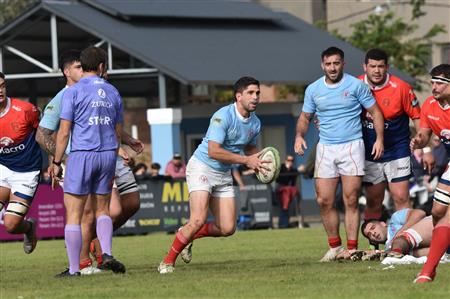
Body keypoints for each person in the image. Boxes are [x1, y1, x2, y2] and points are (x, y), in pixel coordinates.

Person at [37, 50, 143, 275]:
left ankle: (75, 268)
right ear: (102, 66)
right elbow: (115, 129)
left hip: (82, 155)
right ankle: (106, 253)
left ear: (83, 66)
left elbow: (64, 132)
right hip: (107, 156)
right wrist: (122, 148)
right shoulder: (113, 91)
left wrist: (56, 161)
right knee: (103, 210)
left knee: (74, 214)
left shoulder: (72, 92)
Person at [157, 76, 268, 274]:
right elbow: (213, 151)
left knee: (227, 228)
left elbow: (249, 145)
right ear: (238, 96)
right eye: (251, 93)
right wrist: (246, 161)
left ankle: (187, 235)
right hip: (202, 167)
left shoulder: (255, 123)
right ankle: (167, 262)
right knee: (198, 219)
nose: (256, 97)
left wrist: (260, 160)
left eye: (258, 93)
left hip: (223, 172)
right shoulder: (223, 116)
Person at [294, 47, 385, 262]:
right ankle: (335, 247)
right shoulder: (313, 89)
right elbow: (305, 117)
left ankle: (352, 248)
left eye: (336, 63)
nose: (332, 68)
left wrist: (379, 139)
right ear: (322, 65)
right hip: (325, 148)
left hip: (352, 146)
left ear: (343, 64)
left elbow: (376, 112)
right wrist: (299, 136)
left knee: (351, 199)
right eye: (328, 64)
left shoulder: (356, 85)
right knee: (324, 199)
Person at [359, 48, 428, 221]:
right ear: (364, 67)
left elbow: (418, 117)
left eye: (381, 66)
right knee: (374, 200)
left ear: (387, 67)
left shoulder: (402, 88)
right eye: (372, 66)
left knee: (401, 197)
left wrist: (423, 144)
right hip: (369, 152)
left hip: (397, 149)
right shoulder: (355, 85)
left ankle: (403, 243)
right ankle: (373, 245)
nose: (376, 70)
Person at [410, 64, 450, 283]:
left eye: (439, 83)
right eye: (432, 82)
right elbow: (424, 133)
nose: (434, 87)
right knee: (437, 210)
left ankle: (428, 271)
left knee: (445, 212)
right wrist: (419, 143)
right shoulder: (430, 105)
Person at [0, 71, 41, 254]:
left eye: (2, 86)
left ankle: (28, 228)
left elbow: (44, 133)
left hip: (27, 171)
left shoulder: (25, 110)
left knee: (10, 224)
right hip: (2, 168)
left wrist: (58, 161)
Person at [361, 208, 431, 258]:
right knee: (410, 253)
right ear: (373, 241)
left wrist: (399, 234)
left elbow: (419, 214)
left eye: (373, 228)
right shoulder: (387, 248)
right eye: (369, 235)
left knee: (399, 243)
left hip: (431, 227)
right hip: (429, 245)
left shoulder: (395, 219)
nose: (373, 233)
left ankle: (396, 256)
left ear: (383, 223)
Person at [275, 154, 302, 228]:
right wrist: (295, 170)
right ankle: (282, 224)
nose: (290, 162)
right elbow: (279, 179)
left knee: (286, 207)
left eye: (292, 161)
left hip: (288, 192)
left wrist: (296, 171)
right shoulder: (281, 167)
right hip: (280, 191)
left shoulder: (293, 170)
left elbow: (293, 182)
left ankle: (285, 224)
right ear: (286, 160)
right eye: (289, 160)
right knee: (283, 208)